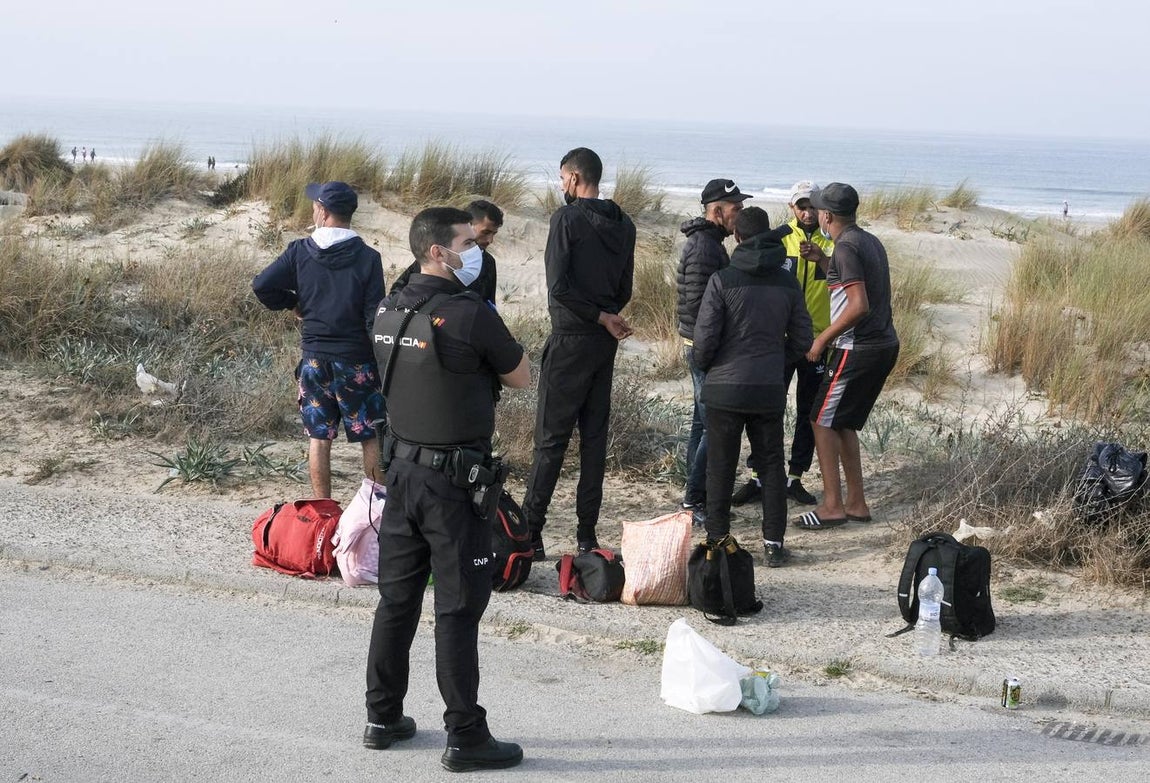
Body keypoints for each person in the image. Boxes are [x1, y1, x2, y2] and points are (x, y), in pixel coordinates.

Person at [364, 206, 529, 772]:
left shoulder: (388, 308)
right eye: (466, 242)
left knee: (397, 599)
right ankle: (465, 736)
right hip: (452, 483)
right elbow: (520, 375)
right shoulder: (467, 312)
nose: (475, 250)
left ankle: (382, 716)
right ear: (438, 251)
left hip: (401, 473)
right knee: (457, 608)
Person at [522, 147, 636, 560]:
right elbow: (624, 288)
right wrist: (608, 315)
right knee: (593, 440)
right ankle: (586, 534)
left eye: (561, 179)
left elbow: (558, 287)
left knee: (550, 440)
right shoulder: (624, 223)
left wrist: (598, 316)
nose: (561, 186)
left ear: (573, 177)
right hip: (603, 342)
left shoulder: (566, 218)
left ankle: (531, 532)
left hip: (571, 337)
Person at [692, 206, 812, 567]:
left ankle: (717, 541)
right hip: (767, 387)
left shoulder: (722, 279)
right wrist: (778, 362)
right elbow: (802, 338)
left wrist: (709, 366)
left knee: (721, 467)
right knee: (772, 466)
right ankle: (773, 544)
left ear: (738, 237)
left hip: (725, 389)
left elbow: (704, 340)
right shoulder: (788, 282)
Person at [251, 181, 385, 498]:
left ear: (323, 211)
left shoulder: (300, 251)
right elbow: (374, 316)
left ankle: (322, 511)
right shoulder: (369, 257)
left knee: (320, 438)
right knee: (370, 436)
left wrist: (293, 303)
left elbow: (261, 286)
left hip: (314, 358)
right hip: (357, 360)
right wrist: (384, 359)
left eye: (315, 205)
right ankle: (378, 508)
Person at [795, 183, 899, 530]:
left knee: (820, 420)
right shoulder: (868, 241)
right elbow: (855, 281)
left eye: (818, 210)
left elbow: (858, 305)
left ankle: (832, 507)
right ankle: (856, 503)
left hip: (857, 348)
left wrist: (821, 340)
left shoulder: (845, 247)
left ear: (827, 216)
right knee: (841, 422)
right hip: (883, 345)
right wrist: (823, 261)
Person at [731, 181, 833, 508]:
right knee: (767, 409)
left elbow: (844, 281)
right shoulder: (776, 238)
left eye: (813, 206)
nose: (808, 212)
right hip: (779, 339)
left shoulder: (832, 242)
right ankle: (758, 476)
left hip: (817, 340)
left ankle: (795, 477)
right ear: (791, 207)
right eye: (801, 206)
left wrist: (822, 259)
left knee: (808, 411)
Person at [675, 178, 753, 523]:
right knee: (713, 426)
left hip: (702, 344)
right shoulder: (705, 247)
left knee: (701, 424)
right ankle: (694, 502)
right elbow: (698, 304)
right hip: (704, 347)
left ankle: (698, 498)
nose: (740, 214)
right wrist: (714, 343)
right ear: (717, 211)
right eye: (736, 208)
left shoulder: (711, 243)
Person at [390, 199, 502, 306]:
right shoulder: (438, 255)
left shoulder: (489, 262)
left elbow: (489, 305)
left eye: (494, 234)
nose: (490, 240)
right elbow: (398, 292)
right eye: (485, 232)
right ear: (467, 225)